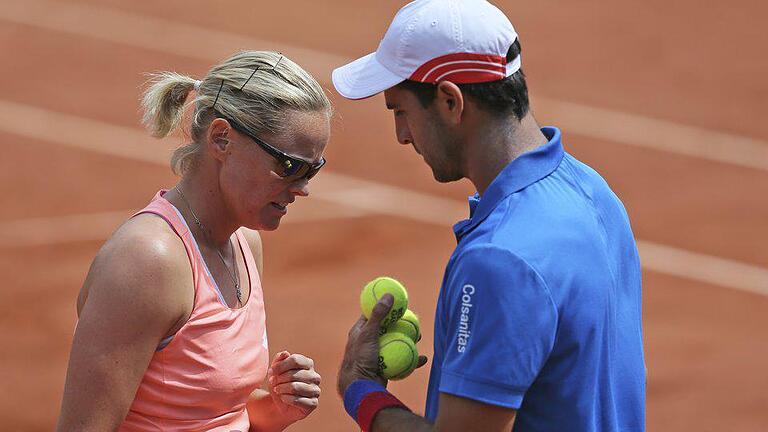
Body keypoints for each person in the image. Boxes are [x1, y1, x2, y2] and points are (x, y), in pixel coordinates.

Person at [332, 1, 646, 431]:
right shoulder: (592, 191)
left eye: (400, 111)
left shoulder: (499, 259)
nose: (402, 136)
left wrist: (361, 389)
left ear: (449, 101)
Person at [57, 51, 331, 431]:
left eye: (313, 169)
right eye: (289, 165)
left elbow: (213, 412)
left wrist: (279, 408)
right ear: (222, 139)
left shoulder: (244, 244)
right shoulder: (147, 262)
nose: (303, 188)